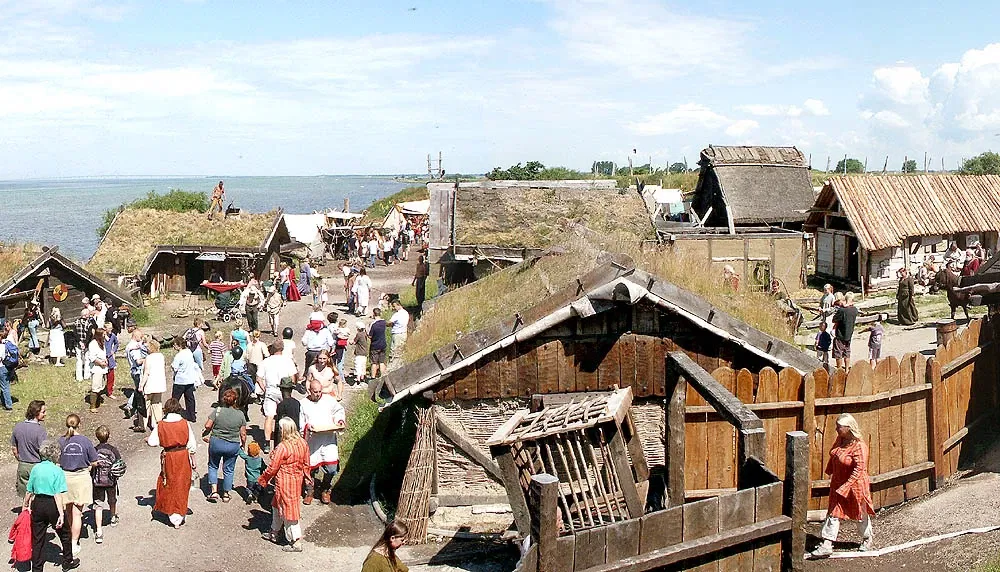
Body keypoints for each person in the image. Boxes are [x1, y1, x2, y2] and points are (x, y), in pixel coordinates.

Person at [809, 413, 875, 558]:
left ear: (849, 428)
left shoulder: (859, 446)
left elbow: (860, 469)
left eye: (839, 427)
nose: (836, 429)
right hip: (838, 483)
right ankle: (827, 544)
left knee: (860, 513)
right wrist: (830, 470)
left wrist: (846, 486)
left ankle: (867, 539)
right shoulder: (841, 440)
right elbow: (834, 454)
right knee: (833, 513)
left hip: (855, 486)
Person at [23, 440, 79, 571]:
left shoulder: (35, 468)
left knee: (38, 538)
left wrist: (25, 505)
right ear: (55, 454)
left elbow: (29, 490)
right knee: (65, 533)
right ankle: (67, 561)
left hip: (38, 503)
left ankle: (37, 568)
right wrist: (61, 514)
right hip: (52, 504)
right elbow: (57, 494)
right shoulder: (57, 470)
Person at [258, 417, 310, 552]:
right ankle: (274, 532)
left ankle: (295, 541)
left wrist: (263, 480)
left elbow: (272, 468)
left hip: (284, 482)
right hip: (296, 481)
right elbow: (306, 464)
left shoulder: (282, 447)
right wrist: (308, 480)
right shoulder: (303, 443)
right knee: (276, 505)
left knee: (289, 512)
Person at [300, 379, 347, 505]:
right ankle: (309, 491)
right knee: (309, 468)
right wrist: (307, 427)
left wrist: (340, 421)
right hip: (312, 441)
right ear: (310, 391)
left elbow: (339, 411)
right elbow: (301, 422)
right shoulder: (303, 403)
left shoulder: (329, 400)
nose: (318, 394)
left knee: (331, 468)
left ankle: (325, 489)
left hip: (328, 440)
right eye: (315, 392)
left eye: (320, 391)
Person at [153, 398, 197, 529]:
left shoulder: (161, 424)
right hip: (183, 456)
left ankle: (173, 515)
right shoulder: (185, 423)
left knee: (169, 483)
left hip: (169, 457)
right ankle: (180, 513)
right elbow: (192, 445)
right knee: (182, 483)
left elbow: (152, 441)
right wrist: (194, 461)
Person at [58, 414, 98, 556]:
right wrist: (89, 467)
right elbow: (94, 460)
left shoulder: (61, 441)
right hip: (81, 478)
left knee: (67, 510)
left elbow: (57, 459)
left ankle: (67, 540)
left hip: (64, 477)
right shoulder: (85, 441)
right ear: (79, 424)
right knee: (77, 513)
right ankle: (74, 543)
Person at [204, 388, 248, 503]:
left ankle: (213, 491)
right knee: (229, 469)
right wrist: (243, 445)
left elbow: (208, 425)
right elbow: (243, 434)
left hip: (216, 442)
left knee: (213, 465)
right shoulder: (240, 414)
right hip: (232, 444)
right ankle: (226, 494)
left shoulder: (217, 410)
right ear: (235, 400)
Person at [257, 340, 297, 454]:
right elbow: (293, 377)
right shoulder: (288, 361)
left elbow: (259, 378)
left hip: (271, 390)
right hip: (284, 389)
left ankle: (266, 443)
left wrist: (265, 389)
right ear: (282, 349)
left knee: (269, 417)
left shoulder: (266, 361)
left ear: (273, 349)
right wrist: (291, 387)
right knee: (285, 415)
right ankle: (285, 439)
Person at [91, 425, 121, 545]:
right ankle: (113, 517)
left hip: (97, 481)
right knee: (112, 500)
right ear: (109, 436)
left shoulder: (94, 450)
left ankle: (98, 531)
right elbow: (119, 463)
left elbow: (91, 463)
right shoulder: (113, 450)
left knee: (98, 504)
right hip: (110, 480)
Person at [12, 400, 47, 498]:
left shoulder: (18, 427)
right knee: (37, 494)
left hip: (23, 465)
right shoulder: (40, 430)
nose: (45, 414)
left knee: (25, 494)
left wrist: (20, 459)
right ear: (36, 412)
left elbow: (14, 448)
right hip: (37, 465)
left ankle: (25, 511)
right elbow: (44, 450)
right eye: (43, 412)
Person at [170, 336, 200, 423]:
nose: (174, 346)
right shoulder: (189, 352)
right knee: (190, 398)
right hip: (189, 380)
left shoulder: (178, 356)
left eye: (175, 345)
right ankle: (192, 415)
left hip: (180, 381)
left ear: (179, 346)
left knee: (175, 399)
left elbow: (174, 367)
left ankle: (172, 414)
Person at [124, 331, 149, 432]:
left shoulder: (131, 346)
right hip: (138, 371)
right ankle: (131, 406)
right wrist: (148, 358)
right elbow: (138, 361)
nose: (142, 337)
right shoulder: (133, 347)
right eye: (140, 336)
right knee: (140, 390)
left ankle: (130, 405)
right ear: (135, 336)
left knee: (138, 389)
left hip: (135, 371)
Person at [139, 339, 166, 434]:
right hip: (159, 384)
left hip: (150, 385)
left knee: (145, 405)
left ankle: (143, 424)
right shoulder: (161, 356)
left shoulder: (149, 358)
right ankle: (157, 424)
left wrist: (141, 385)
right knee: (157, 404)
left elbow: (146, 372)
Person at [832, 292, 859, 371]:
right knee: (847, 352)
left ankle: (839, 370)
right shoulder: (854, 310)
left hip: (840, 334)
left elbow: (834, 319)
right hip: (849, 334)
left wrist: (841, 307)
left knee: (838, 353)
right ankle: (847, 369)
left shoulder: (842, 310)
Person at [271, 378, 301, 447]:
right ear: (291, 389)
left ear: (281, 389)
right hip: (296, 436)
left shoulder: (281, 405)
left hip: (285, 438)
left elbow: (279, 426)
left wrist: (276, 445)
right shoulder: (297, 403)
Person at [86, 329, 108, 413]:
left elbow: (103, 354)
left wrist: (105, 360)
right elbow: (92, 357)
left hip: (102, 368)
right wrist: (100, 363)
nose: (105, 336)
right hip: (96, 368)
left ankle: (98, 402)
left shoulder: (102, 343)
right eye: (104, 334)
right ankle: (92, 406)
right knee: (95, 387)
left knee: (101, 386)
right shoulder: (93, 344)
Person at [369, 308, 388, 380]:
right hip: (383, 344)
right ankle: (383, 377)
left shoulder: (373, 324)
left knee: (374, 362)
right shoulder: (383, 322)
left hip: (375, 345)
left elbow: (370, 336)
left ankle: (373, 377)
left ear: (374, 314)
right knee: (382, 362)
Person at [103, 322, 119, 400]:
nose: (111, 329)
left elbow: (116, 343)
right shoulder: (101, 336)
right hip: (102, 358)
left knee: (111, 376)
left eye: (111, 328)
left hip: (110, 358)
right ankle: (100, 389)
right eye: (109, 328)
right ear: (105, 329)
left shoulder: (113, 336)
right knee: (102, 375)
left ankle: (109, 392)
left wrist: (113, 350)